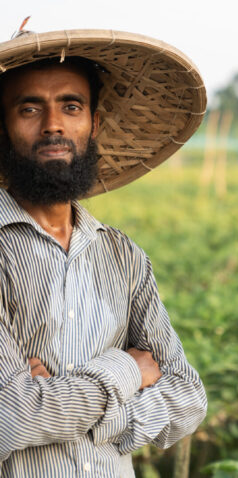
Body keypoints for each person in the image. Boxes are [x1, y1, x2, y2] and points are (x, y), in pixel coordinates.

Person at [0, 28, 207, 477]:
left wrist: (66, 404)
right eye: (29, 108)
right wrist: (124, 370)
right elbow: (10, 418)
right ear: (3, 127)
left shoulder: (123, 256)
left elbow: (188, 396)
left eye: (70, 106)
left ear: (93, 124)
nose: (53, 124)